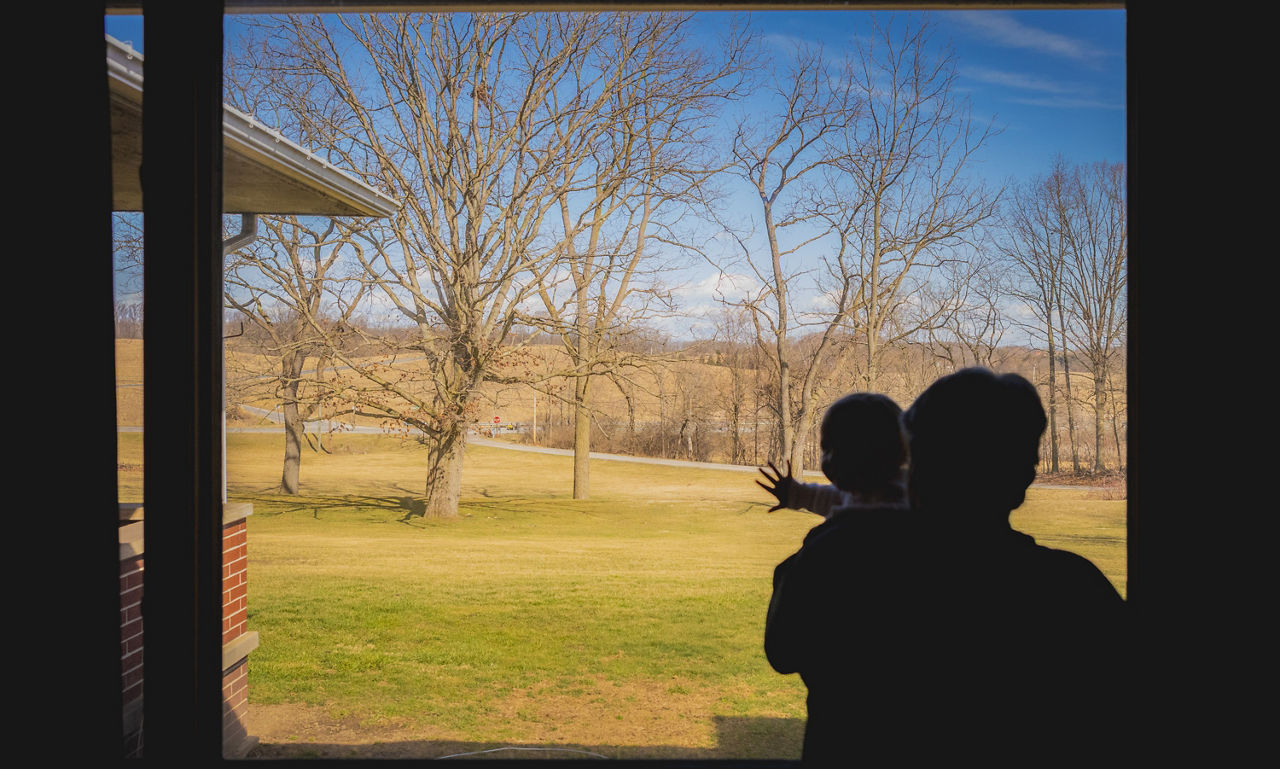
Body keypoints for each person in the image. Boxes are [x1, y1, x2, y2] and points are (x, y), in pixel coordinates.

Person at [764, 369, 1127, 762]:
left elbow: (782, 650)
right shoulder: (1075, 590)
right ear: (1026, 473)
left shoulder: (844, 566)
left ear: (916, 467)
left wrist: (824, 542)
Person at [756, 391, 908, 518]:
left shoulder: (886, 509)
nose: (830, 459)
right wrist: (796, 494)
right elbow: (834, 497)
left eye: (845, 450)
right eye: (826, 448)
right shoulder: (868, 491)